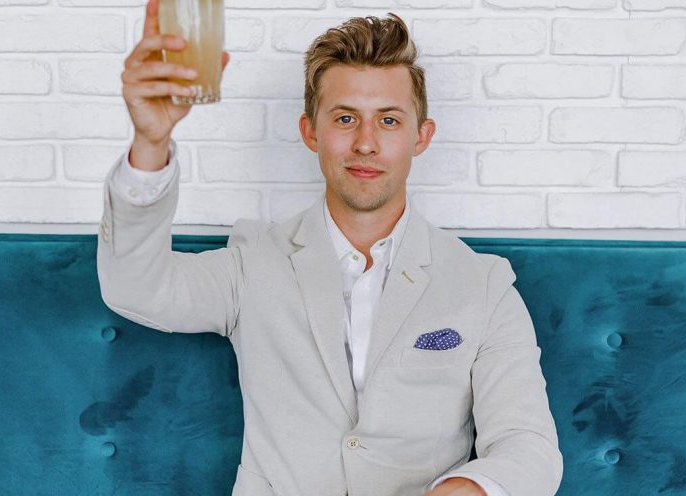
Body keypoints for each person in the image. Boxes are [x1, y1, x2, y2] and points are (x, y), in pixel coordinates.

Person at [98, 1, 562, 494]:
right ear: (310, 131)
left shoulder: (483, 284)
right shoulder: (253, 262)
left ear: (421, 137)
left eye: (389, 121)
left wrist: (464, 490)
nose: (365, 143)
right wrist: (150, 143)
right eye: (344, 118)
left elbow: (528, 446)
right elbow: (135, 288)